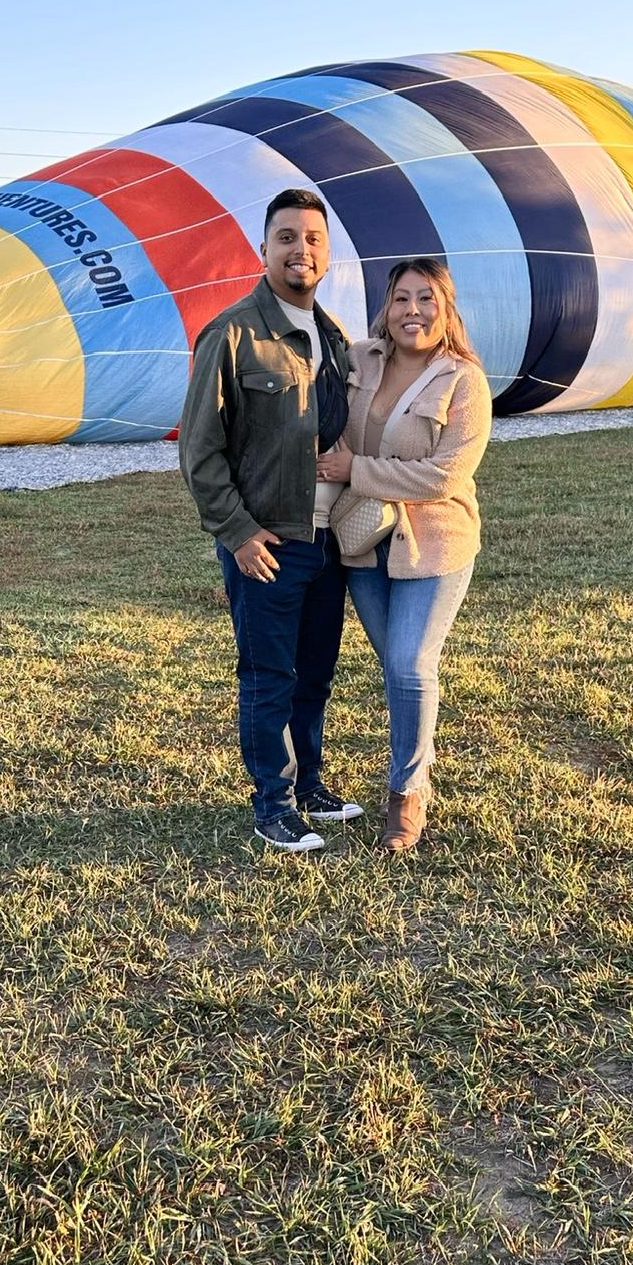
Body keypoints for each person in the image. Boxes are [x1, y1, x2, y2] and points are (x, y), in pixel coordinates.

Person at [179, 188, 362, 852]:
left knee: (314, 675)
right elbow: (199, 451)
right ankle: (273, 807)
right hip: (269, 544)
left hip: (329, 541)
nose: (299, 250)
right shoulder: (231, 335)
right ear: (263, 249)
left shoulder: (334, 337)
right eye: (286, 237)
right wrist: (237, 532)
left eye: (312, 239)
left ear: (327, 253)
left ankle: (309, 786)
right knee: (268, 679)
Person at [316, 258, 492, 853]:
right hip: (364, 541)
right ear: (386, 308)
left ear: (446, 310)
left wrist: (355, 469)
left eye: (426, 299)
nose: (412, 311)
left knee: (411, 664)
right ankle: (412, 765)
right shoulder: (359, 360)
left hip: (434, 545)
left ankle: (407, 791)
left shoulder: (463, 381)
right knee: (396, 666)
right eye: (401, 299)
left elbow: (445, 475)